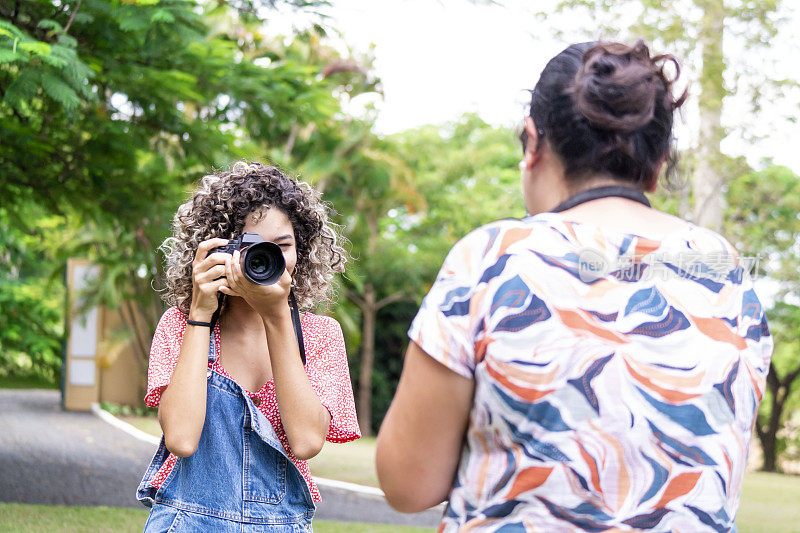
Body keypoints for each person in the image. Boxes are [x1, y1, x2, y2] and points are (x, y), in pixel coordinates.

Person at [375, 40, 774, 531]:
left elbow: (409, 483)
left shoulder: (491, 258)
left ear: (533, 142)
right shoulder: (727, 274)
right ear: (657, 162)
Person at [136, 162, 360, 531]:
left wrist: (276, 318)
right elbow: (180, 438)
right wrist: (200, 313)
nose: (267, 258)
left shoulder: (321, 335)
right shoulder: (181, 325)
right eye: (253, 248)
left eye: (282, 246)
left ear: (300, 251)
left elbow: (306, 441)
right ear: (218, 250)